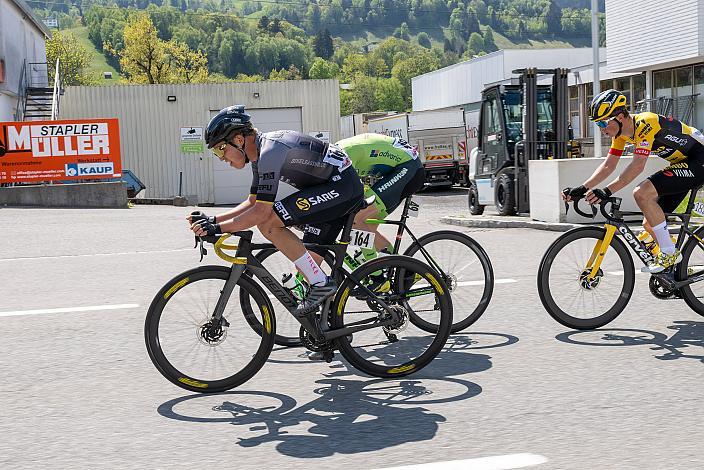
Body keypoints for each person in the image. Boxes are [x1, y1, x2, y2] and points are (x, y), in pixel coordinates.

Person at [190, 105, 364, 313]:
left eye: (220, 149)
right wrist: (213, 220)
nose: (220, 157)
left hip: (342, 188)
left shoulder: (270, 152)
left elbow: (261, 213)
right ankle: (329, 325)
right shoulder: (259, 155)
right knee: (305, 264)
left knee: (269, 223)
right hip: (330, 189)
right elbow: (253, 202)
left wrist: (217, 229)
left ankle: (321, 284)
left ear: (238, 140)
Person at [563, 89, 704, 273]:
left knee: (642, 193)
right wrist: (582, 189)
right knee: (649, 223)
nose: (602, 129)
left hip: (699, 160)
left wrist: (606, 191)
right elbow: (609, 165)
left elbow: (638, 165)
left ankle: (669, 253)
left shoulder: (646, 122)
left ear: (620, 116)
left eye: (604, 122)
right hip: (684, 164)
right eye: (598, 124)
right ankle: (680, 269)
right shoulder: (621, 135)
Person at [303, 133, 425, 267]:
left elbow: (346, 192)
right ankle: (405, 269)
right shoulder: (332, 157)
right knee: (367, 227)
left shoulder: (343, 156)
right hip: (401, 167)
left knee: (357, 219)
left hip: (409, 168)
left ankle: (376, 275)